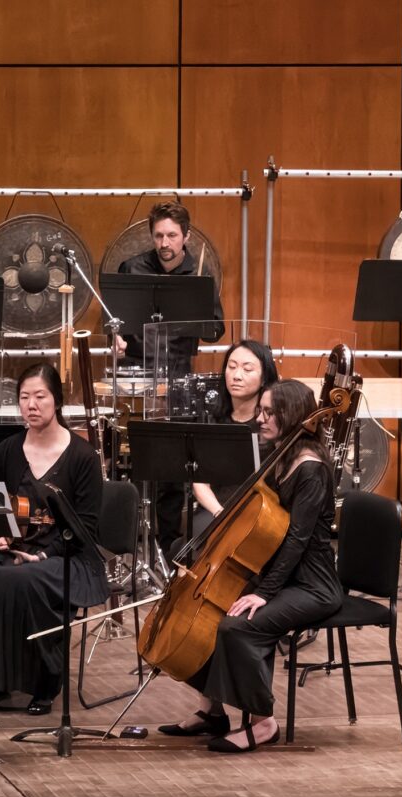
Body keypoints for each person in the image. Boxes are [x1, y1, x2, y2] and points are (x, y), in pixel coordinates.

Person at [154, 380, 338, 752]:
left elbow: (297, 540)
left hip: (312, 585)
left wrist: (264, 593)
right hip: (282, 575)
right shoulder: (281, 456)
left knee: (238, 626)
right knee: (208, 617)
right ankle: (212, 712)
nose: (261, 418)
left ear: (293, 415)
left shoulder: (311, 470)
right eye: (261, 410)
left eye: (270, 412)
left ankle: (263, 722)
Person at [0, 364, 105, 715]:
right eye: (24, 397)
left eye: (40, 396)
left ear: (57, 401)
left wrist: (44, 554)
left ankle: (44, 686)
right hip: (17, 550)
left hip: (68, 556)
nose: (31, 405)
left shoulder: (82, 456)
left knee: (29, 579)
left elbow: (86, 528)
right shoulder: (8, 450)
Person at [181, 340, 281, 554]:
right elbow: (200, 481)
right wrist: (220, 513)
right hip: (215, 510)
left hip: (261, 512)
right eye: (232, 366)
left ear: (264, 377)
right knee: (197, 539)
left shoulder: (271, 424)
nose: (236, 375)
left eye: (247, 369)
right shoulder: (212, 420)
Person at [110, 201, 223, 376]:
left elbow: (216, 331)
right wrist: (115, 337)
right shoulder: (131, 269)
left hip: (179, 370)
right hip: (135, 369)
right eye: (158, 236)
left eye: (172, 235)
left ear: (186, 236)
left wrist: (198, 319)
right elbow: (114, 319)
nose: (164, 243)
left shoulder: (200, 274)